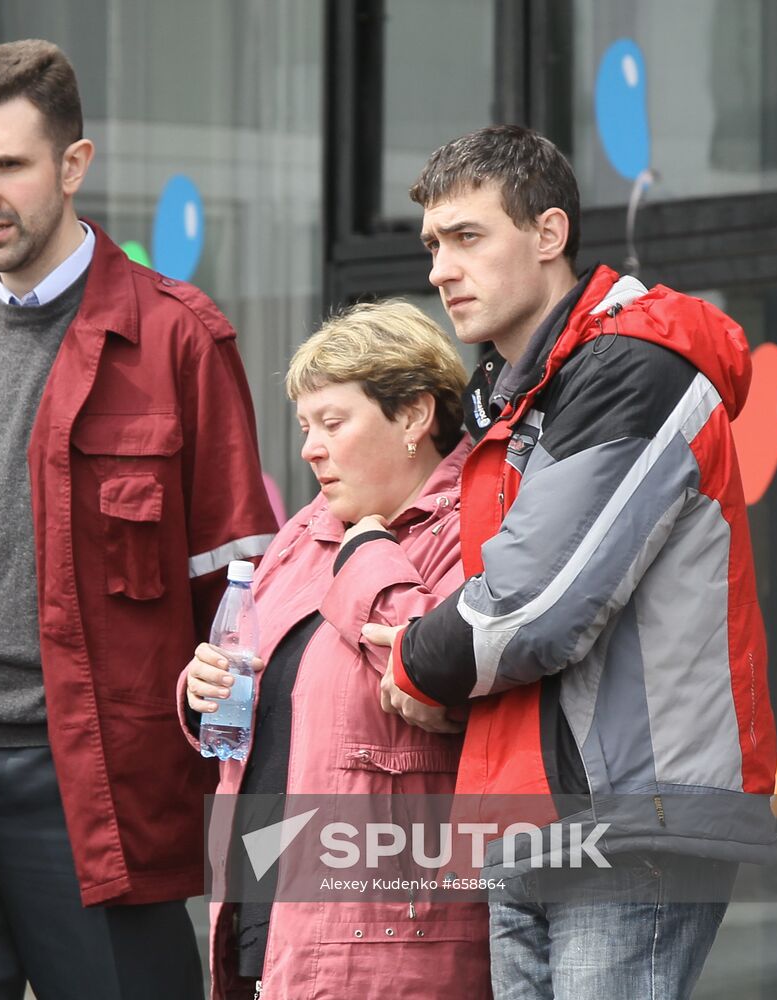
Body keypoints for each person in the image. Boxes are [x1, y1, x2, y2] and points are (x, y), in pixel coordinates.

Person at [0, 39, 277, 1000]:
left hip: (99, 792)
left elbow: (244, 600)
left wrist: (235, 818)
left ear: (73, 165)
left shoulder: (178, 340)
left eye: (7, 165)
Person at [363, 125, 777, 999]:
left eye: (468, 237)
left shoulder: (632, 365)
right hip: (536, 814)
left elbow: (527, 609)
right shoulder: (520, 390)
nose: (440, 268)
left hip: (631, 821)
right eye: (433, 244)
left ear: (549, 235)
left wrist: (412, 656)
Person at [179, 301, 491, 999]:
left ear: (413, 416)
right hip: (270, 922)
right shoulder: (303, 533)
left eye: (333, 423)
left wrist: (370, 556)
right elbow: (271, 681)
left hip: (390, 943)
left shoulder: (477, 525)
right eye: (304, 427)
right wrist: (202, 692)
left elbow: (437, 674)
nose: (309, 449)